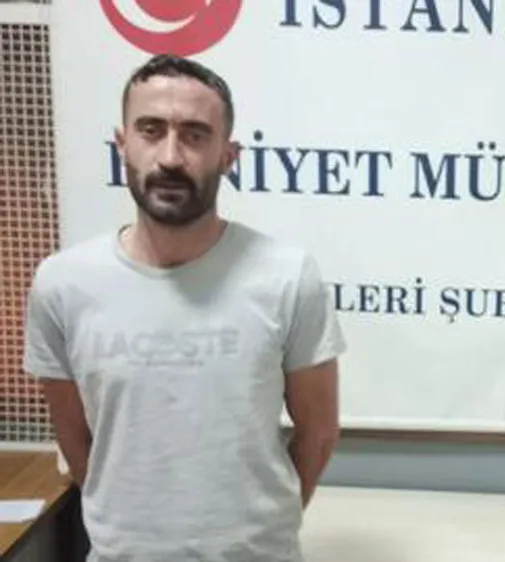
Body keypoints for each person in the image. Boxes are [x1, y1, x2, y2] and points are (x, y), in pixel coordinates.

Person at [23, 54, 345, 562]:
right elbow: (77, 439)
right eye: (151, 130)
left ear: (228, 155)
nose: (171, 156)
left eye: (195, 135)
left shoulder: (288, 277)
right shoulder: (62, 284)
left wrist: (257, 536)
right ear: (122, 144)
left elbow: (319, 433)